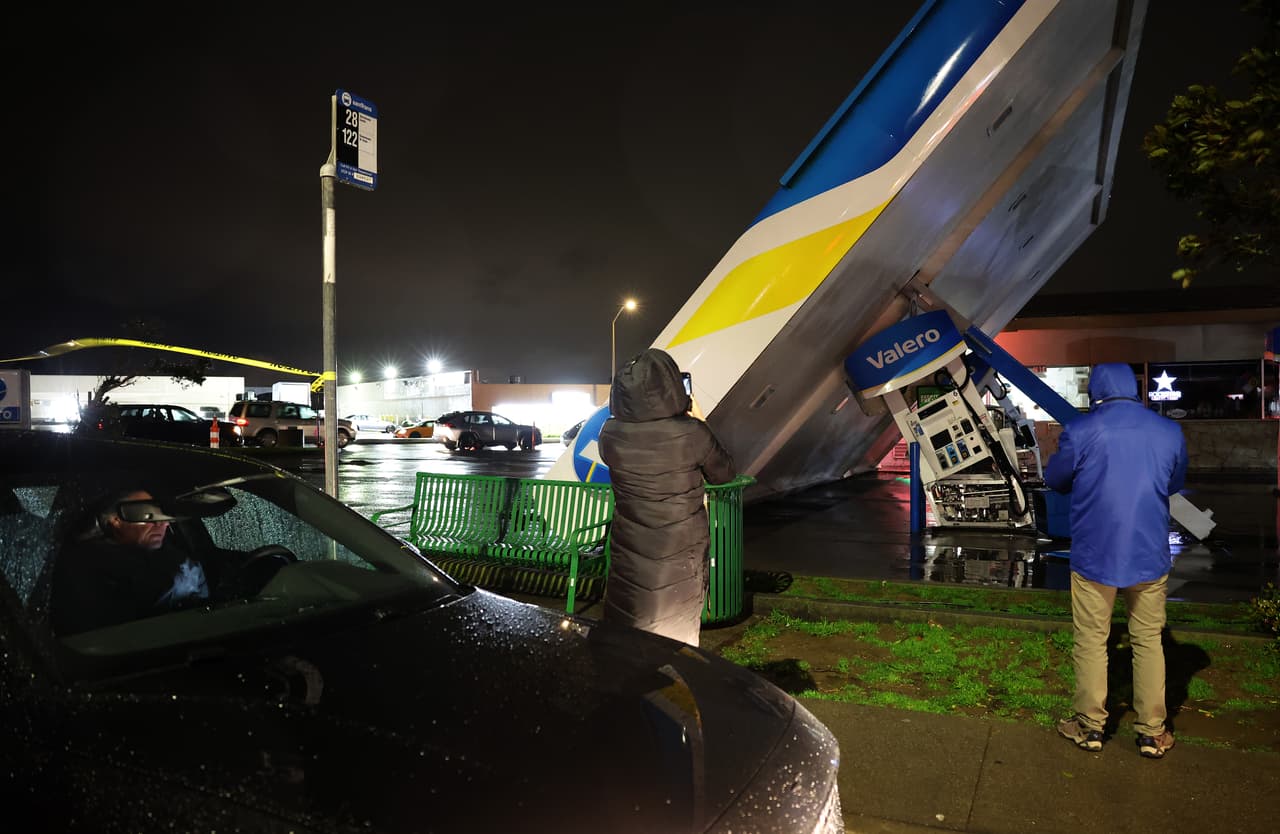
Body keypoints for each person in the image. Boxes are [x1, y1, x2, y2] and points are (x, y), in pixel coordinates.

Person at [1044, 362, 1188, 759]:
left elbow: (1055, 479)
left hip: (1096, 553)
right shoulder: (1168, 431)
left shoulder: (1081, 430)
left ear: (1096, 391)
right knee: (1148, 640)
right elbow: (1173, 482)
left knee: (1092, 639)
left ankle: (1090, 726)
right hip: (1148, 552)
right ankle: (1152, 732)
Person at [598, 348, 737, 646]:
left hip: (629, 545)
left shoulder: (608, 433)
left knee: (628, 623)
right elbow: (724, 473)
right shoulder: (692, 433)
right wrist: (699, 420)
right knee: (675, 634)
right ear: (671, 386)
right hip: (680, 549)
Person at [51, 488, 221, 635]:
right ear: (115, 521)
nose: (163, 523)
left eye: (163, 515)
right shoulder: (84, 567)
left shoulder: (179, 558)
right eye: (148, 515)